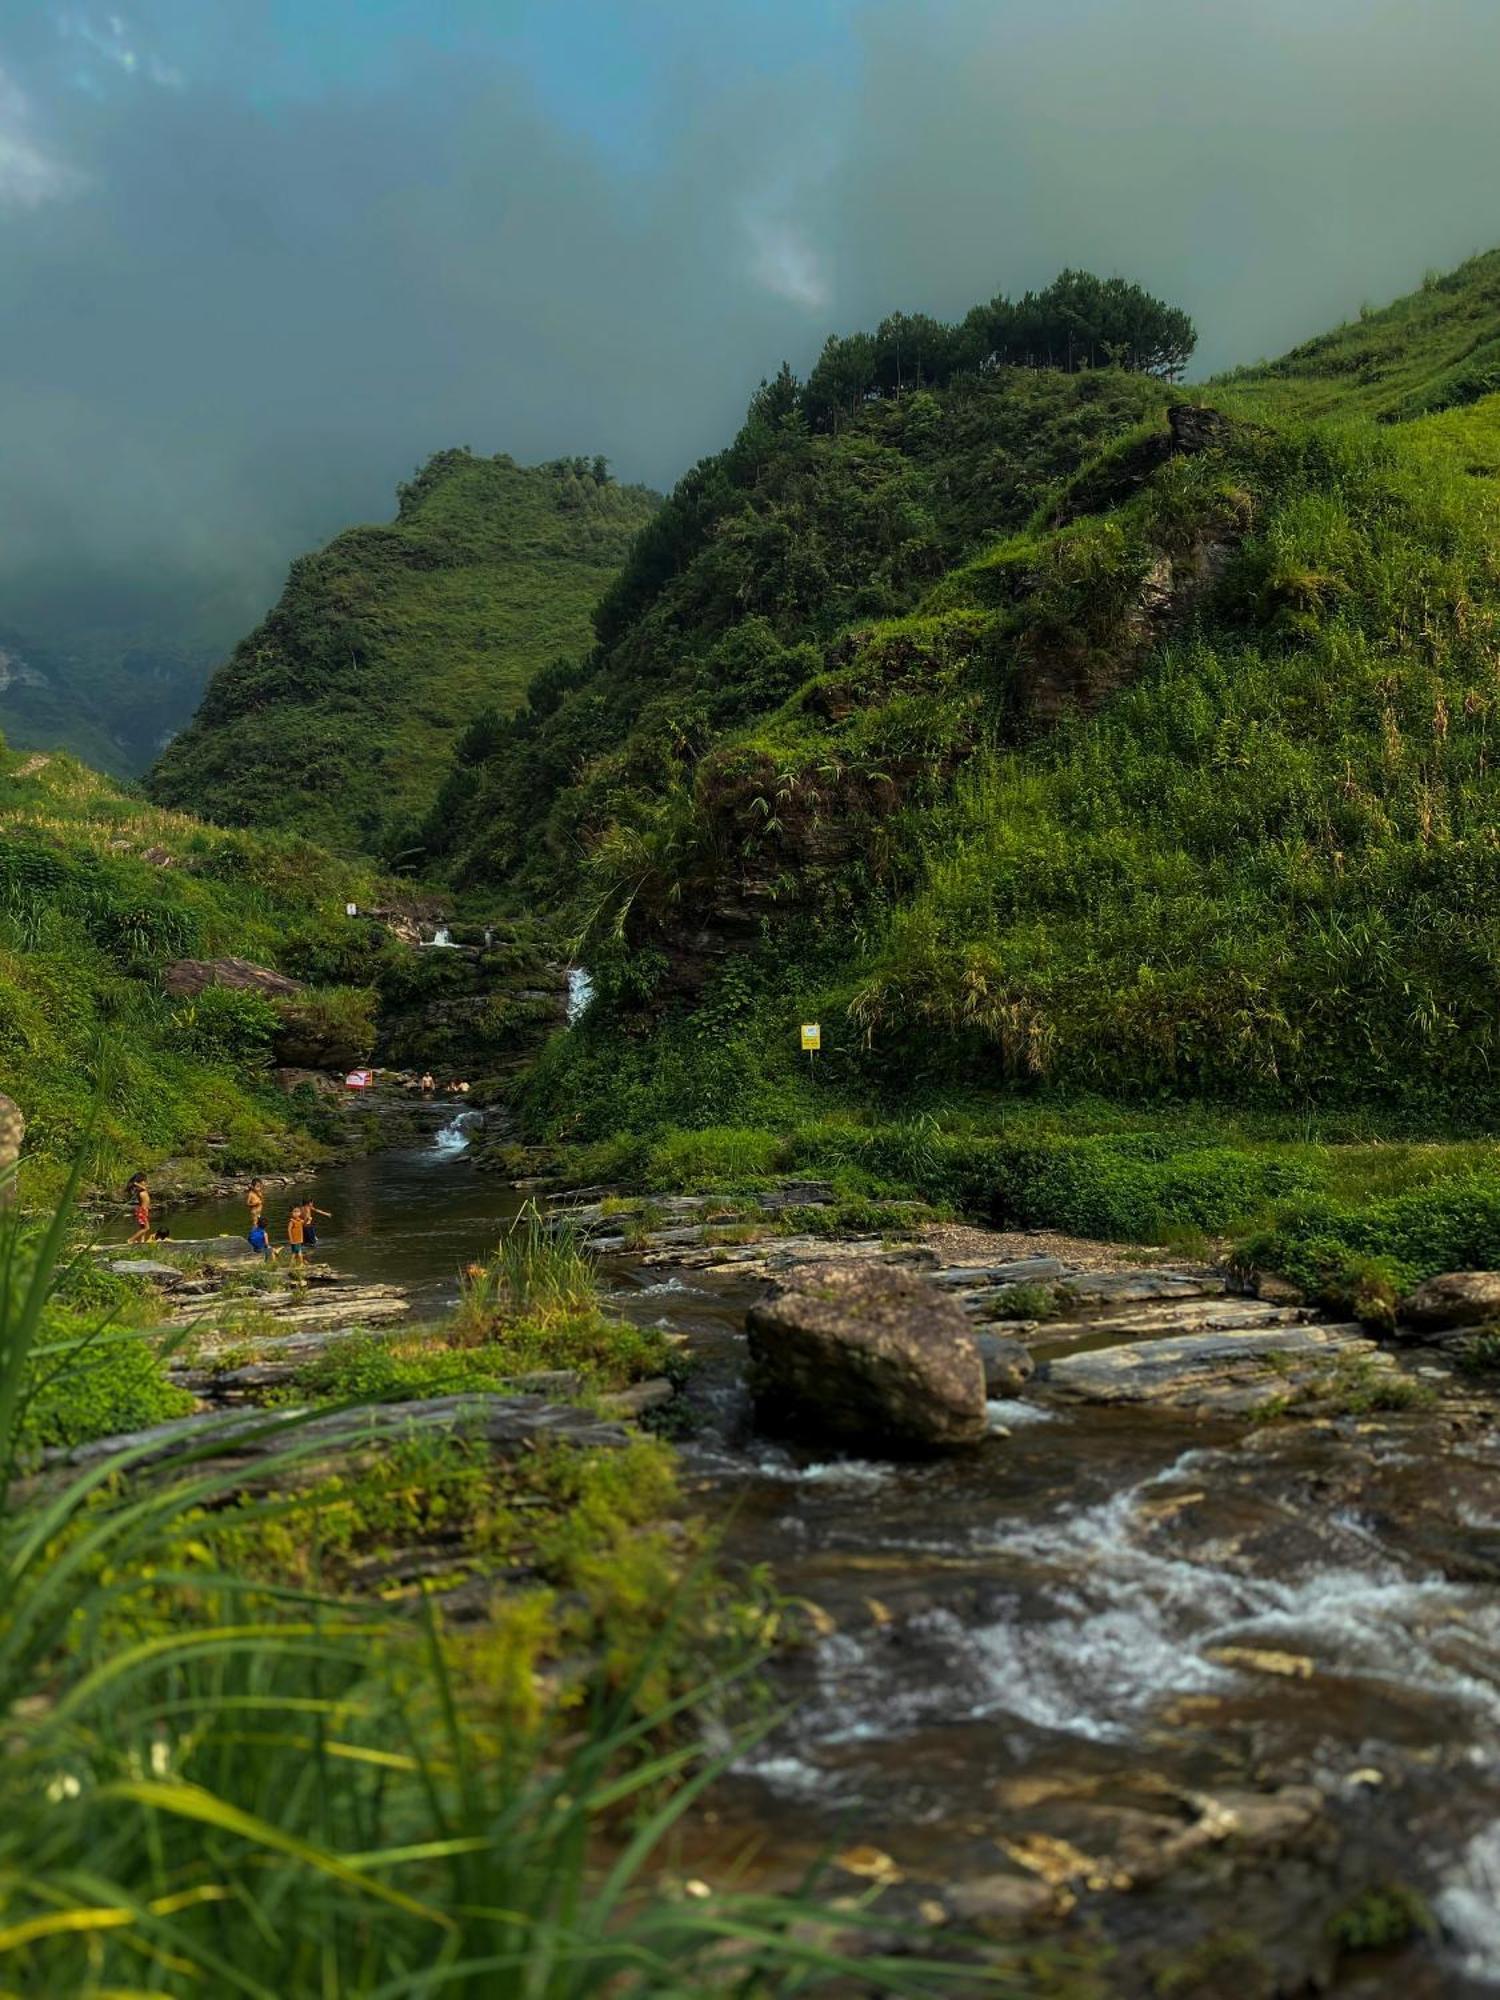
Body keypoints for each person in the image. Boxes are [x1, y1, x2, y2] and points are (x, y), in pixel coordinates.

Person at [127, 1175, 152, 1245]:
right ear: (139, 1183)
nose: (145, 1182)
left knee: (143, 1227)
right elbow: (143, 1187)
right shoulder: (140, 1190)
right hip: (142, 1211)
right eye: (143, 1181)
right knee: (146, 1228)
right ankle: (131, 1240)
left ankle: (142, 1241)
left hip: (145, 1210)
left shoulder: (144, 1190)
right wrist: (135, 1183)